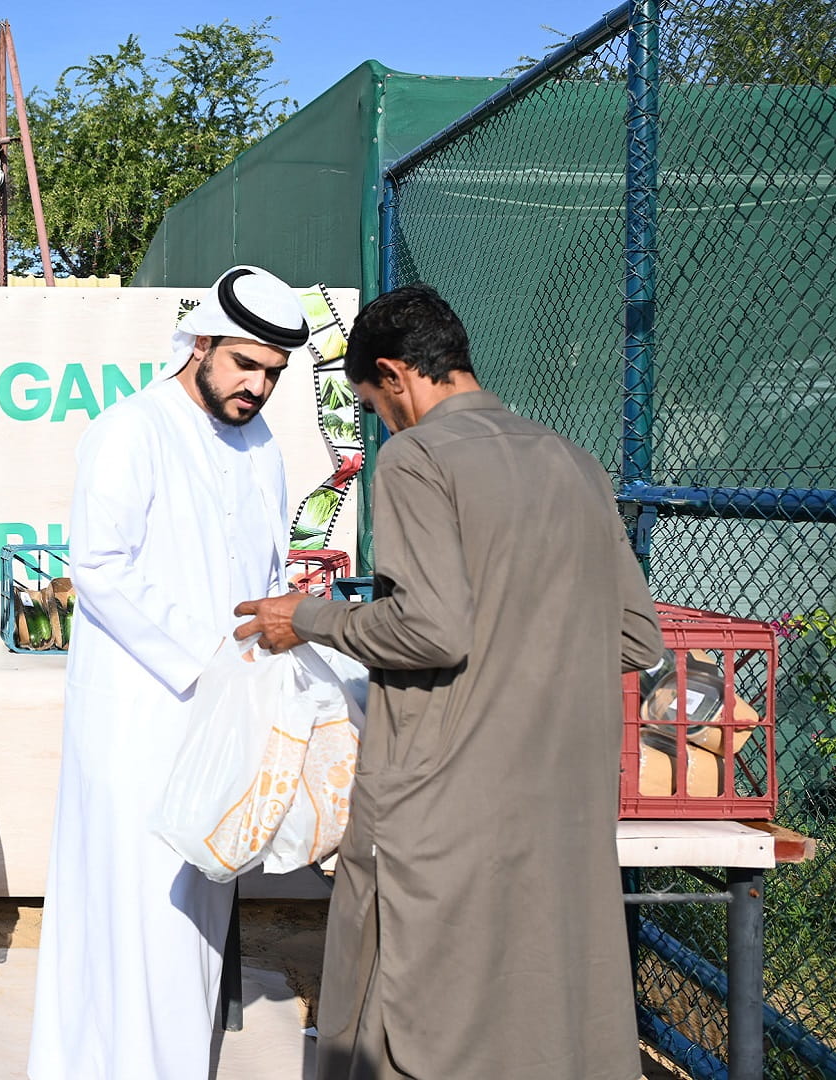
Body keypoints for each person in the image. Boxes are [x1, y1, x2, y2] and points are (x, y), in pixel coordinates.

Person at [235, 283, 663, 1080]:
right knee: (542, 1017)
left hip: (441, 801)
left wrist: (310, 617)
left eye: (374, 404)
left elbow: (431, 628)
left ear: (396, 376)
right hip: (560, 802)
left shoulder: (419, 458)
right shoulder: (572, 461)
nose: (384, 421)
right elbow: (636, 635)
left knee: (409, 1010)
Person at [28, 265, 311, 1080]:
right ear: (202, 345)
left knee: (200, 893)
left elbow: (266, 571)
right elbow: (101, 566)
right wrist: (210, 657)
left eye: (273, 375)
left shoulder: (261, 444)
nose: (257, 387)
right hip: (139, 711)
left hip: (228, 712)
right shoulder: (131, 429)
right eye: (246, 365)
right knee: (132, 893)